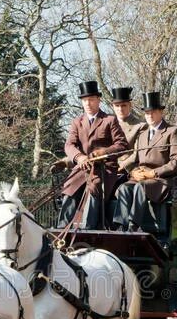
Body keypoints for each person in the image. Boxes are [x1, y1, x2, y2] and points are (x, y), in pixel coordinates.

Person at [55, 80, 128, 229]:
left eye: (91, 99)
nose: (88, 103)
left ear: (98, 100)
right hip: (82, 167)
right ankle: (61, 229)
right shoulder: (77, 122)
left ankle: (87, 229)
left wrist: (103, 152)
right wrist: (79, 157)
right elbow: (69, 145)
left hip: (104, 169)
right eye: (85, 100)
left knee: (93, 188)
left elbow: (122, 145)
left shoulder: (109, 120)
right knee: (69, 187)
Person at [112, 91, 177, 233]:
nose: (149, 116)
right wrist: (133, 171)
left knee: (141, 187)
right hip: (141, 177)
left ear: (161, 112)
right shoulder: (143, 134)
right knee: (124, 188)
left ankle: (133, 226)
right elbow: (135, 158)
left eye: (153, 112)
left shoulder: (173, 131)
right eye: (147, 113)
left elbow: (176, 162)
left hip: (162, 180)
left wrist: (153, 173)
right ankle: (120, 225)